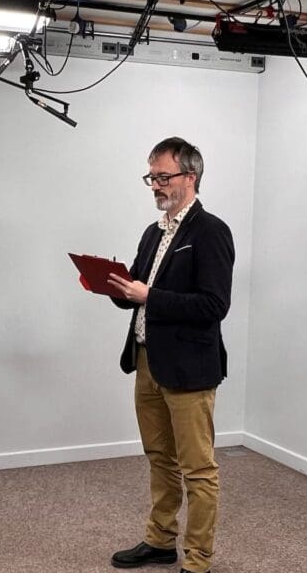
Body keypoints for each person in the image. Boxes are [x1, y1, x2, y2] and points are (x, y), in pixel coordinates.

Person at [107, 137, 234, 573]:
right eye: (152, 177)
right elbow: (140, 293)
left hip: (189, 370)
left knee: (198, 469)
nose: (156, 186)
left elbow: (213, 306)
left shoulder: (211, 231)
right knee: (159, 458)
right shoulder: (153, 232)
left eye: (163, 177)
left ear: (190, 176)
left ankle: (198, 561)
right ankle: (160, 541)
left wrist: (149, 296)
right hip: (147, 362)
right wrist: (118, 289)